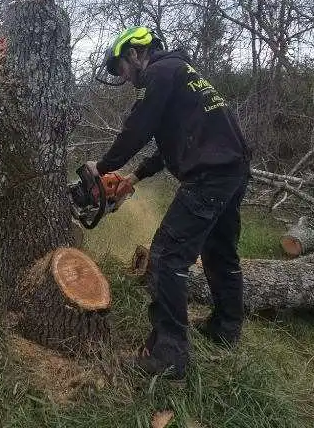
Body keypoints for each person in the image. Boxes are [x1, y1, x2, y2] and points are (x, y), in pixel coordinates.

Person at [86, 26, 250, 379]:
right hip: (232, 169)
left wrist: (99, 168)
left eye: (122, 69)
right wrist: (133, 177)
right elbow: (170, 142)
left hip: (210, 175)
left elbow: (137, 129)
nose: (125, 78)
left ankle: (168, 355)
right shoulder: (183, 72)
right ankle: (226, 328)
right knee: (221, 252)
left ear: (134, 53)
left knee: (165, 257)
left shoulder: (160, 72)